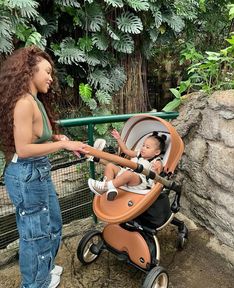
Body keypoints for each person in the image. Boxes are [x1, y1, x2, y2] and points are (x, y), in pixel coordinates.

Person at [0, 46, 88, 288]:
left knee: (53, 224)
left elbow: (35, 137)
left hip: (37, 172)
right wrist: (64, 146)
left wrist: (57, 139)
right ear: (29, 71)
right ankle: (35, 284)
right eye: (47, 72)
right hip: (27, 175)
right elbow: (24, 149)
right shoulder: (24, 103)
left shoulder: (34, 100)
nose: (51, 77)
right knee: (34, 236)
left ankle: (45, 269)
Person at [88, 129, 166, 201]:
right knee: (110, 166)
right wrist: (118, 138)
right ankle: (110, 189)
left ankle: (105, 186)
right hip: (126, 173)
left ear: (157, 152)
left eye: (147, 147)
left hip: (139, 181)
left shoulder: (157, 161)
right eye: (143, 145)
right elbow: (125, 150)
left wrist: (157, 169)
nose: (143, 148)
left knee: (129, 174)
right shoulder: (138, 154)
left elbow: (158, 177)